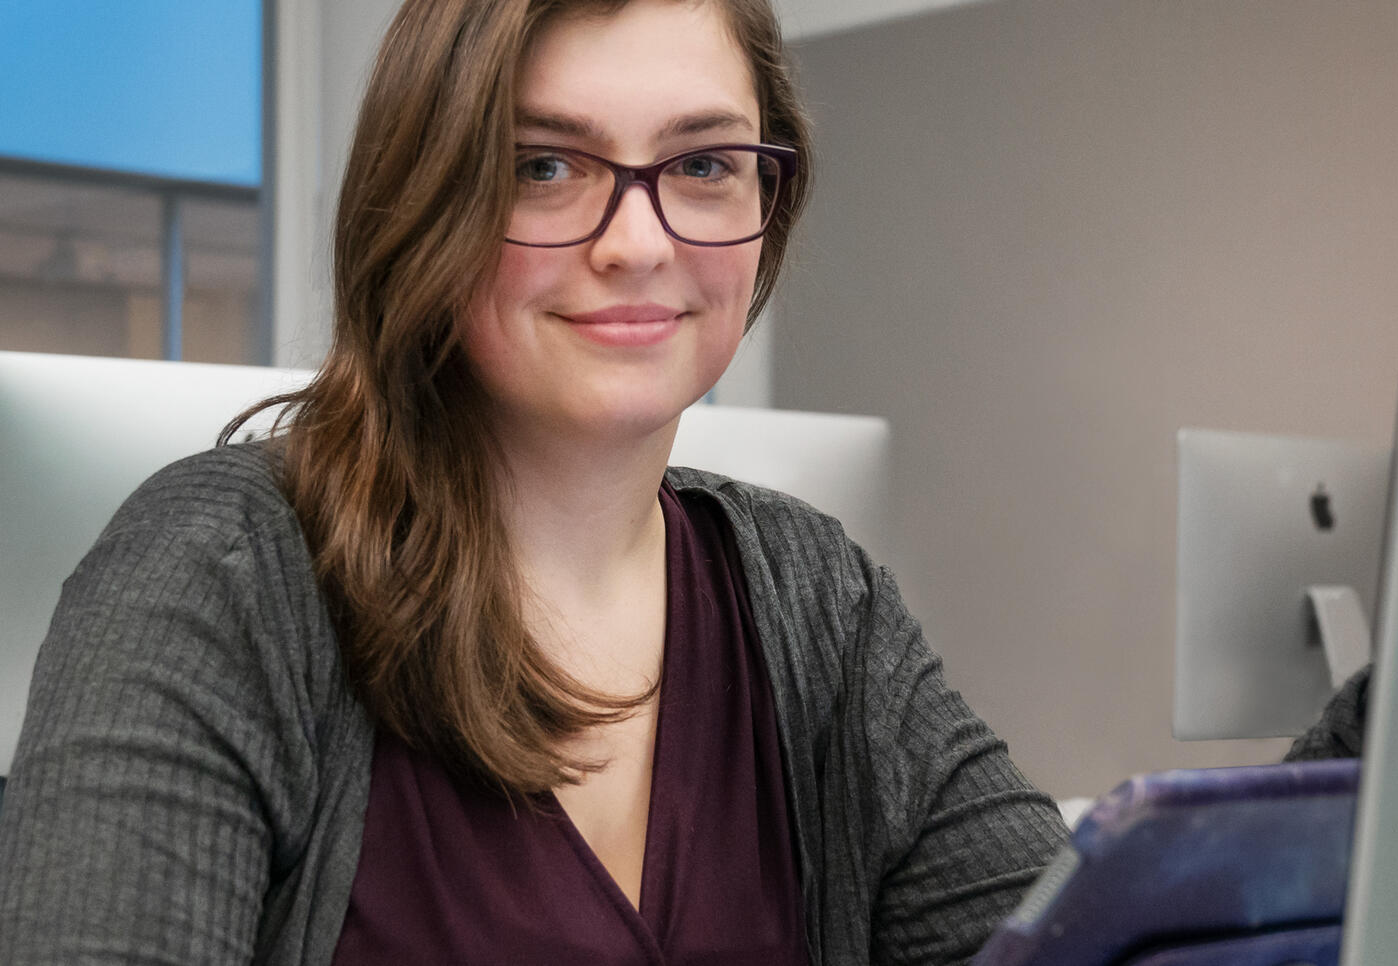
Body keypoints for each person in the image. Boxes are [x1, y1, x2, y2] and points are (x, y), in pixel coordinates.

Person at [0, 0, 1068, 963]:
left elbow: (1088, 931)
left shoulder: (815, 600)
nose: (640, 244)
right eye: (544, 167)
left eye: (703, 165)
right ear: (425, 201)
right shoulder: (220, 575)